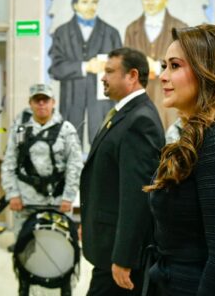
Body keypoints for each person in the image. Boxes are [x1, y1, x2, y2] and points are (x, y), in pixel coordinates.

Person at [144, 24, 215, 295]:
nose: (163, 76)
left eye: (175, 66)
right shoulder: (198, 133)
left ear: (208, 71)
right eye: (163, 66)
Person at [80, 47, 165, 295]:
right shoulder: (123, 113)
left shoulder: (140, 120)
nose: (103, 78)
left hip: (118, 254)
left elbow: (137, 196)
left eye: (109, 71)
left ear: (132, 76)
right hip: (108, 244)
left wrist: (124, 257)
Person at [1, 83, 83, 296]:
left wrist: (69, 197)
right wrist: (12, 194)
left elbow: (75, 165)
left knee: (61, 252)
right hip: (26, 204)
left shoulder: (66, 130)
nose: (41, 104)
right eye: (36, 100)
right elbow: (9, 163)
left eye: (45, 100)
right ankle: (25, 289)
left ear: (53, 102)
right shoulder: (20, 131)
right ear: (30, 104)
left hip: (57, 203)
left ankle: (64, 289)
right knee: (25, 253)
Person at [49, 0, 122, 145]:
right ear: (74, 5)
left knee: (104, 148)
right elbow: (55, 69)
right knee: (69, 148)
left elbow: (121, 69)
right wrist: (84, 67)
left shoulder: (112, 33)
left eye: (94, 2)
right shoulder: (61, 33)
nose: (91, 6)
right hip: (71, 102)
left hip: (103, 104)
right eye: (85, 2)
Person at [125, 0, 187, 129]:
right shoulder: (132, 29)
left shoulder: (181, 28)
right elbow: (126, 66)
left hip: (170, 98)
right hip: (141, 98)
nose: (150, 2)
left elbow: (186, 65)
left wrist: (158, 67)